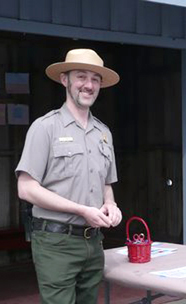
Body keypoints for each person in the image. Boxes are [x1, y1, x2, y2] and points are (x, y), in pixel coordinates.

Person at [15, 48, 122, 304]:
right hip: (56, 242)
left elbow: (106, 182)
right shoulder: (45, 128)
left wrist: (111, 204)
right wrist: (81, 209)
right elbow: (26, 188)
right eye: (81, 77)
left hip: (93, 241)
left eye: (95, 79)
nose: (89, 85)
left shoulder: (103, 133)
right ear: (65, 80)